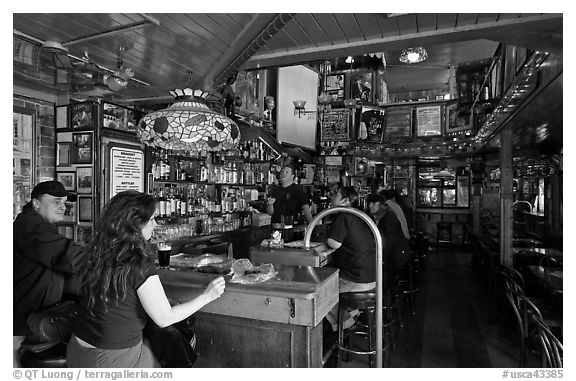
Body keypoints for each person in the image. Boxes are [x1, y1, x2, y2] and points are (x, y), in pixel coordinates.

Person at [67, 191, 225, 367]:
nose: (155, 224)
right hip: (112, 358)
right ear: (134, 225)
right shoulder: (138, 263)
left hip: (78, 349)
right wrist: (207, 296)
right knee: (172, 349)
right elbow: (164, 318)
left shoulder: (96, 253)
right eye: (151, 220)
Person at [13, 180, 86, 366]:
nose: (63, 207)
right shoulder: (31, 226)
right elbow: (67, 255)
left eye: (64, 202)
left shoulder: (38, 224)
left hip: (32, 319)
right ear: (36, 203)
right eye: (56, 202)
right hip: (21, 323)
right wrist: (111, 257)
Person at [324, 186, 376, 331]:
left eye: (336, 195)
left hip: (357, 279)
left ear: (345, 201)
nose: (332, 197)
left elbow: (333, 243)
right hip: (371, 276)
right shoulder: (359, 214)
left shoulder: (344, 216)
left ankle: (347, 325)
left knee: (321, 293)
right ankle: (352, 313)